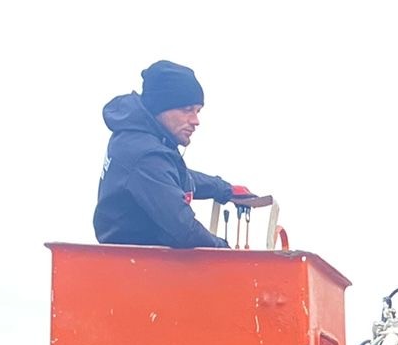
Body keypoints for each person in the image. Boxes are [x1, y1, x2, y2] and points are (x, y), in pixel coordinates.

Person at [93, 60, 272, 249]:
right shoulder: (145, 156)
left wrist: (223, 189)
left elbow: (171, 175)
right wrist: (230, 255)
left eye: (198, 111)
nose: (196, 121)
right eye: (187, 110)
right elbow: (185, 230)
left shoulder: (138, 138)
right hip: (139, 267)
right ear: (160, 108)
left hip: (138, 260)